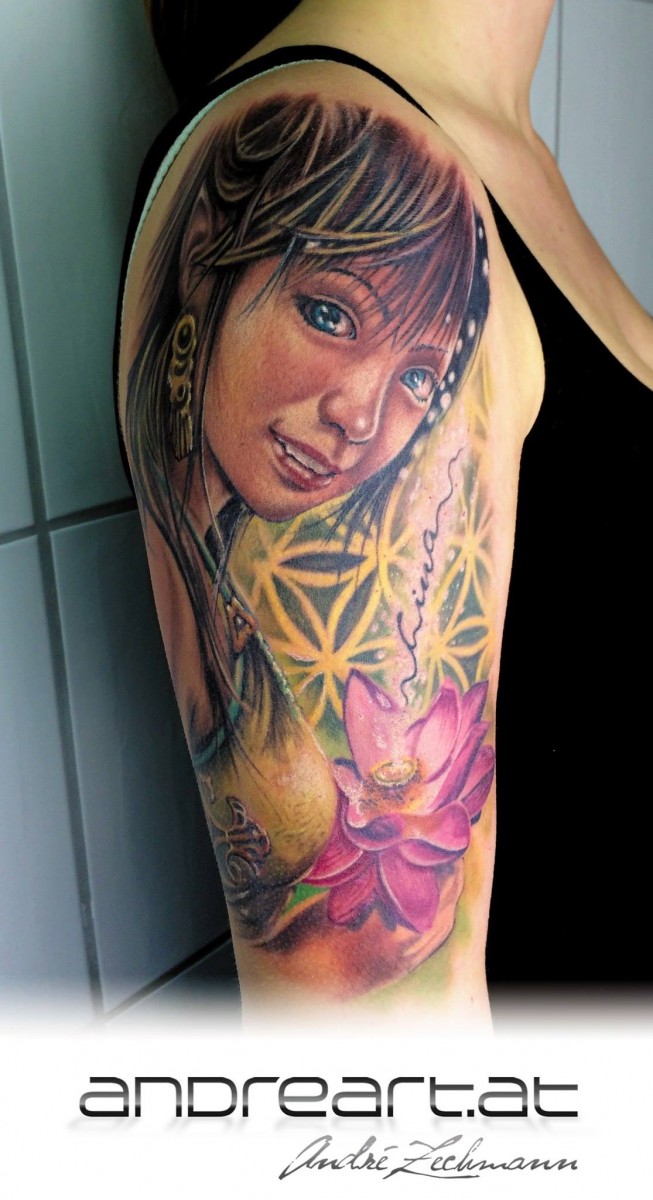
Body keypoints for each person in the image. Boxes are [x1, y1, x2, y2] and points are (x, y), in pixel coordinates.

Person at [118, 0, 652, 1020]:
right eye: (328, 314)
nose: (361, 417)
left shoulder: (500, 153)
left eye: (417, 377)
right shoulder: (345, 136)